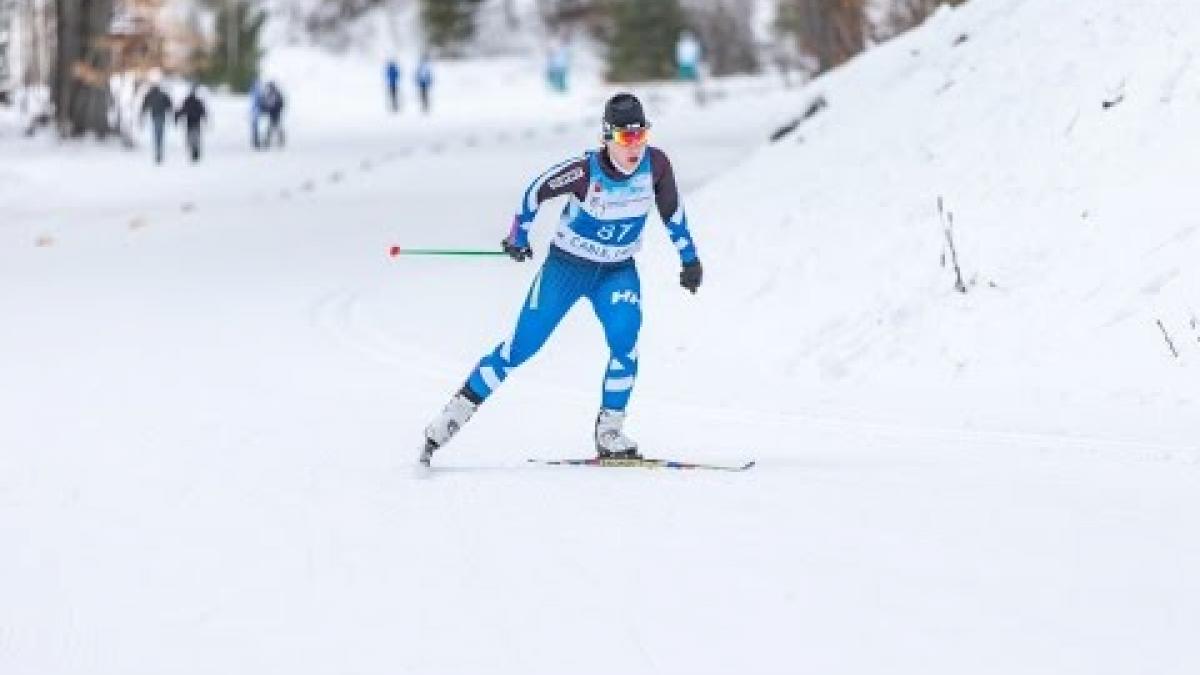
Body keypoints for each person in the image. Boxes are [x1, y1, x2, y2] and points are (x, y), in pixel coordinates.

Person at [419, 93, 704, 467]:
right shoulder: (585, 172)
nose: (634, 146)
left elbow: (673, 213)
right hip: (566, 269)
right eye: (624, 138)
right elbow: (535, 192)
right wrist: (518, 236)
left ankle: (610, 433)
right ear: (606, 137)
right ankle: (450, 418)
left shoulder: (657, 166)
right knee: (520, 348)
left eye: (640, 135)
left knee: (625, 340)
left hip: (617, 271)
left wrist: (689, 259)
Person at [139, 78, 173, 164]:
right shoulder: (162, 94)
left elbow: (145, 104)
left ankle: (158, 151)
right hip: (161, 116)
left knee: (157, 133)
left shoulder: (150, 94)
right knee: (159, 133)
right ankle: (159, 150)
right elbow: (169, 104)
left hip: (155, 116)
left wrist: (142, 113)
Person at [175, 85, 208, 162]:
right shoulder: (198, 101)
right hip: (196, 122)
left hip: (190, 122)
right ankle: (195, 150)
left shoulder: (187, 101)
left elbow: (182, 110)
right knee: (196, 137)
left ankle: (194, 150)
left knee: (190, 137)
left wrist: (177, 118)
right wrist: (205, 118)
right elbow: (202, 111)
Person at [260, 81, 285, 148]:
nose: (269, 88)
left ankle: (280, 140)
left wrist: (277, 109)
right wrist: (265, 109)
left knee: (276, 126)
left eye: (270, 87)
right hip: (271, 113)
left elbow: (281, 103)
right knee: (271, 127)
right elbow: (265, 103)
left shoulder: (277, 94)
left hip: (276, 113)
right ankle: (268, 141)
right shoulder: (269, 94)